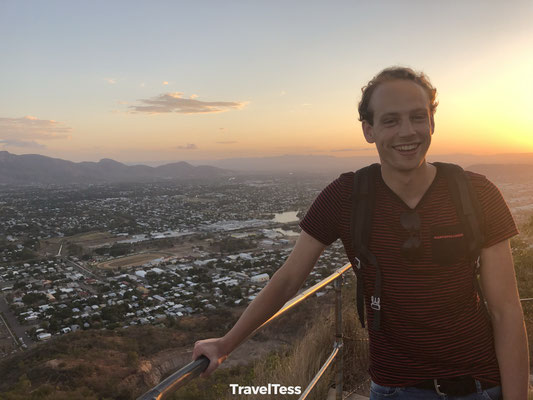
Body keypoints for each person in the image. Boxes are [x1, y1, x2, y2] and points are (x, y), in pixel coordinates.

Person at [192, 66, 529, 399]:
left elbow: (506, 311)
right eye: (390, 120)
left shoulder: (476, 193)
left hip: (480, 386)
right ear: (369, 130)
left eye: (417, 117)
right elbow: (289, 278)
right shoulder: (346, 197)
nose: (407, 132)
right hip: (395, 389)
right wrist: (225, 344)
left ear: (432, 122)